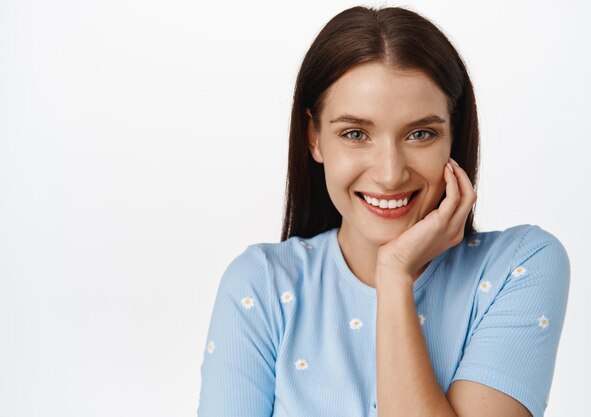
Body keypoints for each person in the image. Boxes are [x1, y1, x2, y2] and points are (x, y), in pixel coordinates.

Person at [197, 5, 570, 417]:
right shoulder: (261, 285)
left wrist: (394, 276)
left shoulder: (519, 267)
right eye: (355, 134)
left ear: (453, 135)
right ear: (315, 137)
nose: (390, 174)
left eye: (421, 133)